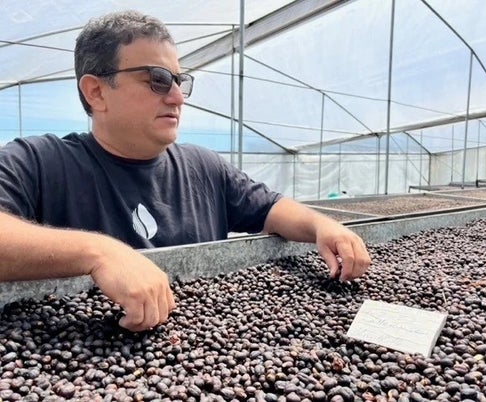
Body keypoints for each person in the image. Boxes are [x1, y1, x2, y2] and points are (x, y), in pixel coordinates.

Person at [0, 10, 371, 332]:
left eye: (179, 81)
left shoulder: (203, 166)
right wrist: (99, 253)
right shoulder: (38, 161)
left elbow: (270, 207)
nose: (177, 97)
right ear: (96, 92)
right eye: (157, 79)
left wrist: (322, 226)